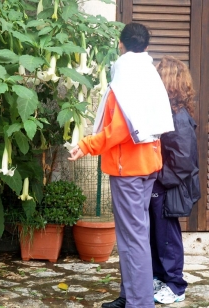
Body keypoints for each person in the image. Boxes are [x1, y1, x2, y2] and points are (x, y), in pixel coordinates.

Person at [68, 22, 174, 308]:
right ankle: (130, 296)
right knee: (135, 235)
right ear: (146, 47)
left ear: (120, 44)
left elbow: (119, 131)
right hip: (148, 165)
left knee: (133, 238)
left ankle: (138, 304)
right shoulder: (150, 75)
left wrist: (86, 145)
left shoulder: (124, 79)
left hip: (128, 169)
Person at [149, 56, 201, 304]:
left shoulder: (178, 117)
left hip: (170, 187)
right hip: (163, 185)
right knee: (157, 235)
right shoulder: (169, 113)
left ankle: (176, 286)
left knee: (167, 237)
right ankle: (159, 279)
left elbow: (183, 160)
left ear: (168, 81)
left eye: (158, 75)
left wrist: (157, 178)